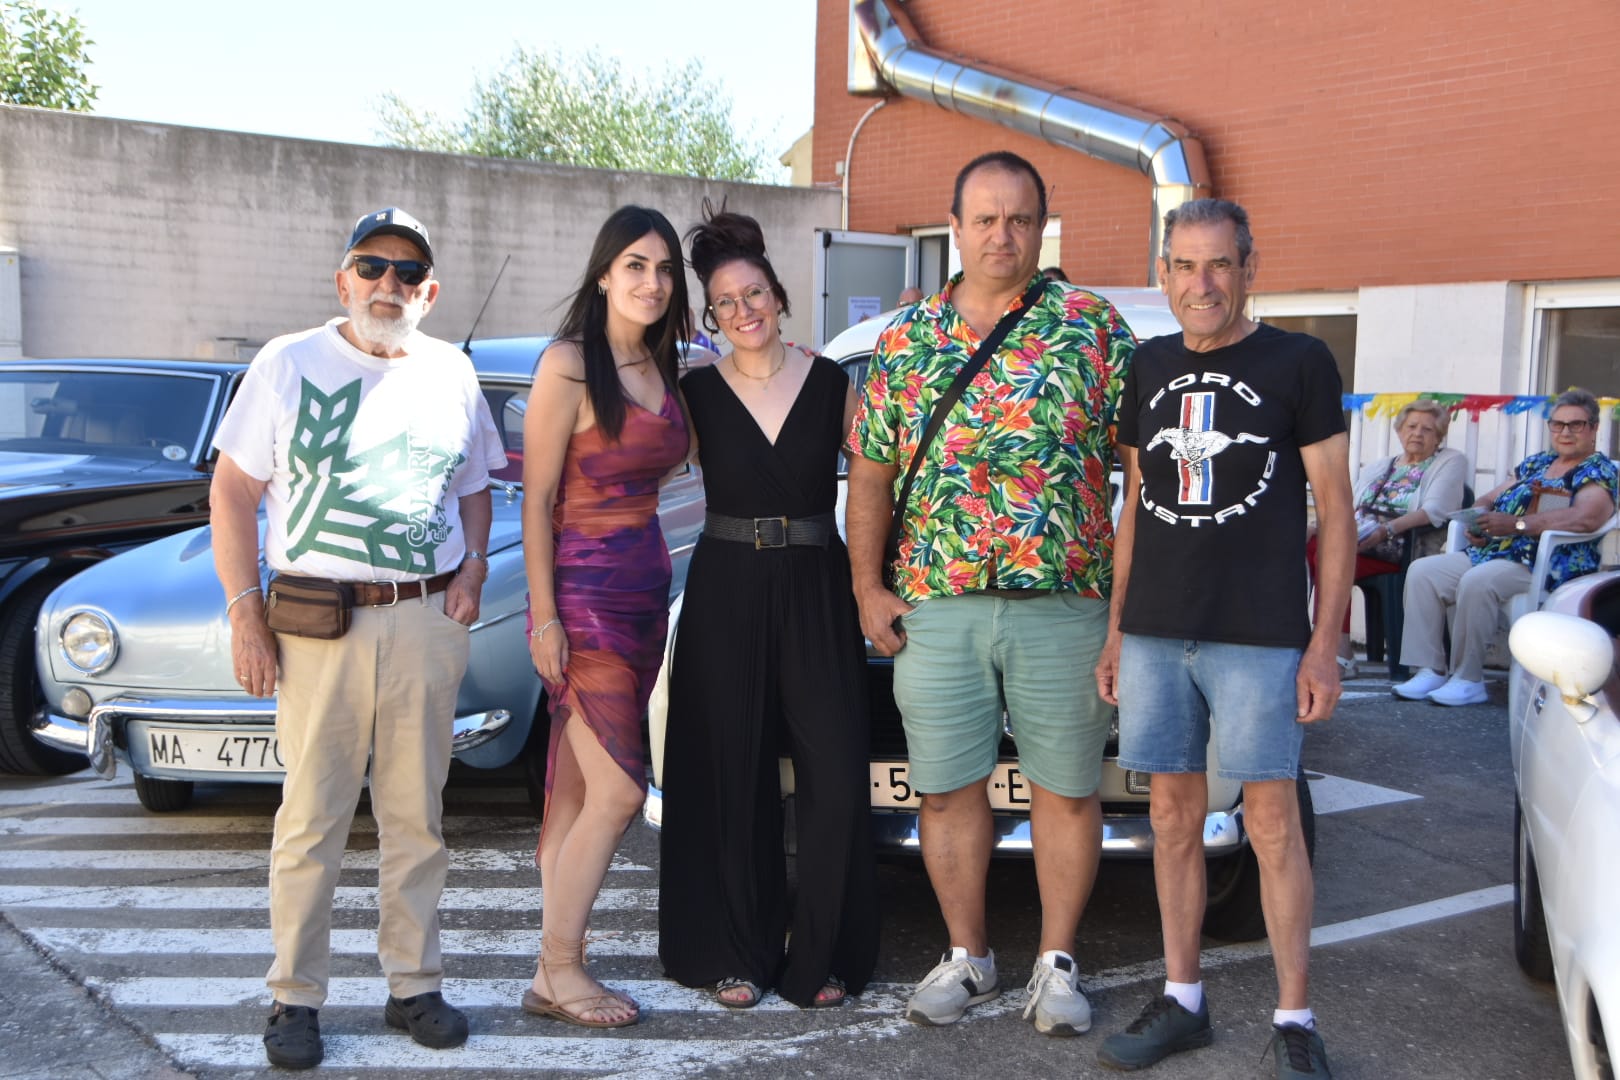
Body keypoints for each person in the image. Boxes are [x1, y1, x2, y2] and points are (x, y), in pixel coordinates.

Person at [846, 150, 1135, 1035]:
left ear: (1041, 227)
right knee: (945, 788)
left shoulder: (1093, 326)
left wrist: (1123, 617)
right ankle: (968, 953)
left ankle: (1057, 964)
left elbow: (1141, 477)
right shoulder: (906, 337)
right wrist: (866, 585)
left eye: (1019, 218)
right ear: (956, 226)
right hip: (939, 605)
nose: (1001, 234)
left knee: (1067, 789)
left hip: (1065, 604)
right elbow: (870, 474)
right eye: (984, 218)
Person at [210, 207, 504, 1071]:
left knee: (418, 814)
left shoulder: (453, 371)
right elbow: (231, 495)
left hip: (425, 616)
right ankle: (294, 998)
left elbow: (478, 483)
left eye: (407, 273)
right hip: (317, 624)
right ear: (343, 280)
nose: (389, 285)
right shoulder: (288, 362)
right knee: (312, 817)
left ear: (430, 292)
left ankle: (414, 984)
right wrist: (243, 611)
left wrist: (477, 567)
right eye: (371, 267)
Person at [1094, 198, 1353, 1079]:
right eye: (1183, 266)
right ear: (1164, 273)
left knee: (1271, 822)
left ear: (1249, 269)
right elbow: (1134, 507)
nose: (1200, 284)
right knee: (1170, 815)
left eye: (1218, 266)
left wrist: (1326, 643)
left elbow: (1338, 509)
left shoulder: (1300, 361)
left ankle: (1294, 1017)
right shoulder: (1148, 362)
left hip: (1259, 633)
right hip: (1159, 631)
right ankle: (1183, 999)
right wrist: (1117, 629)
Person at [657, 203, 879, 1010]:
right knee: (730, 768)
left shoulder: (833, 384)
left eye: (754, 295)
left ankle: (822, 953)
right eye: (724, 303)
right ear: (710, 319)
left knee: (833, 768)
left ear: (779, 296)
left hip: (818, 583)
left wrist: (878, 581)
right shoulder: (693, 394)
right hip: (726, 585)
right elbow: (633, 476)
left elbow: (882, 488)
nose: (743, 312)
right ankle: (736, 951)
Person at [520, 205, 691, 1028]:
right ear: (603, 275)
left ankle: (550, 965)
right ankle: (562, 969)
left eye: (663, 269)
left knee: (580, 790)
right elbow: (537, 499)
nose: (652, 283)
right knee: (623, 790)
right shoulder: (567, 366)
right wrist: (543, 617)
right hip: (583, 602)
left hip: (644, 599)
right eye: (635, 266)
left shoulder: (666, 369)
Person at [1393, 388, 1617, 706]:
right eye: (1558, 424)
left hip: (1545, 562)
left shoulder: (1596, 470)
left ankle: (1468, 677)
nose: (1565, 432)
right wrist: (1478, 521)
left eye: (1576, 424)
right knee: (1424, 571)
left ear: (1593, 428)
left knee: (1479, 580)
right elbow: (1489, 498)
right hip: (1496, 550)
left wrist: (1517, 526)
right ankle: (1429, 669)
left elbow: (1587, 518)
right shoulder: (1537, 463)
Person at [1306, 399, 1468, 676]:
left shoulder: (1449, 461)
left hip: (1403, 546)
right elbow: (1351, 507)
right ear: (1399, 431)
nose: (1417, 433)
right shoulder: (1382, 465)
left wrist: (1386, 530)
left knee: (1330, 555)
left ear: (1439, 436)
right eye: (1411, 426)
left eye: (1427, 429)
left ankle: (1339, 648)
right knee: (1310, 543)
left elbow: (1434, 511)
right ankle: (1312, 638)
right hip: (1359, 542)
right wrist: (1319, 526)